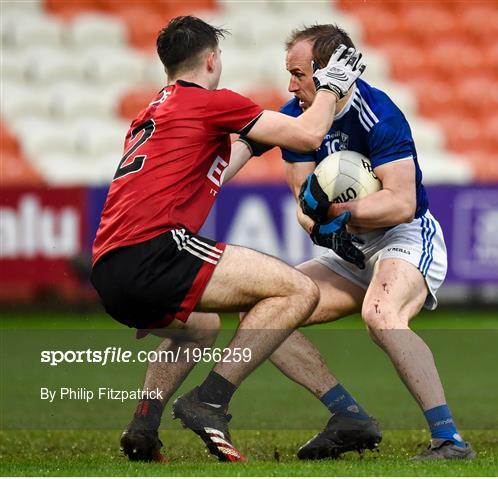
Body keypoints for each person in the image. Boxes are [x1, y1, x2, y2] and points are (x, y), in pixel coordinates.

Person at [90, 16, 364, 463]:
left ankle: (143, 426)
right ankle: (210, 400)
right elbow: (310, 134)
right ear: (212, 59)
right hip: (155, 251)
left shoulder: (151, 112)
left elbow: (214, 172)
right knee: (298, 290)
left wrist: (256, 142)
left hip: (109, 267)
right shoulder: (208, 101)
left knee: (201, 328)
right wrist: (332, 84)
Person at [236, 24, 475, 461]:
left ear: (328, 72)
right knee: (264, 312)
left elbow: (401, 203)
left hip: (404, 238)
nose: (290, 85)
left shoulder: (379, 113)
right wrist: (316, 219)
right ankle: (347, 416)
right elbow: (303, 202)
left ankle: (449, 439)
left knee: (381, 313)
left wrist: (337, 214)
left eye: (298, 74)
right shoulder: (295, 117)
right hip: (350, 250)